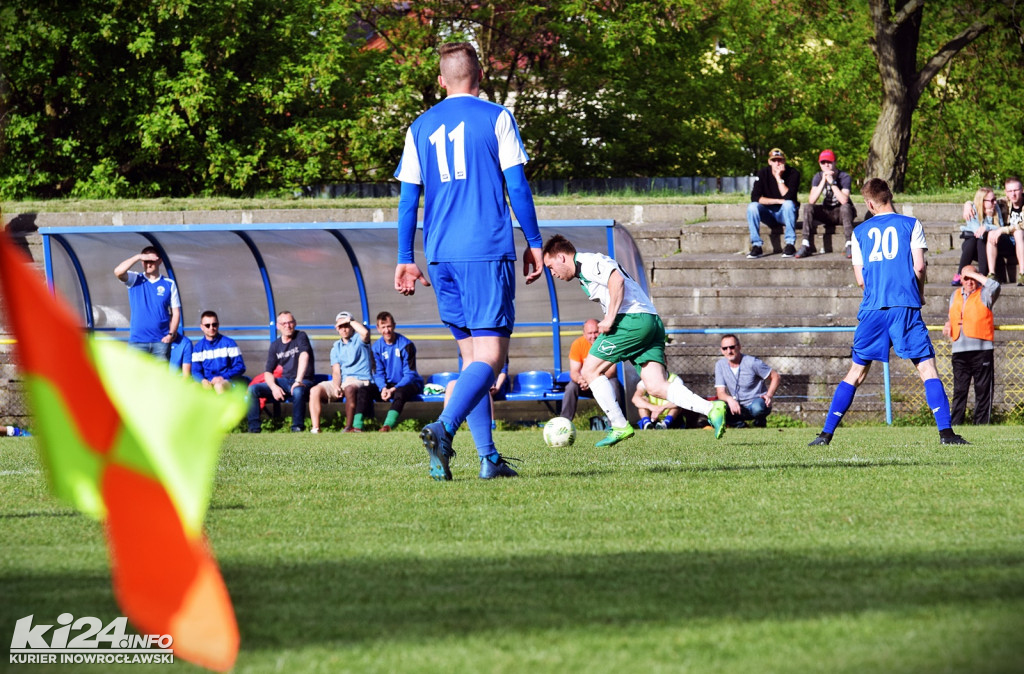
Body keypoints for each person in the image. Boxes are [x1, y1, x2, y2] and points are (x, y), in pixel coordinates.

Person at [393, 42, 544, 481]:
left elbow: (407, 202)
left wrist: (406, 258)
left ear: (440, 81)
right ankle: (443, 428)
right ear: (480, 77)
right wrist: (533, 240)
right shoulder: (497, 116)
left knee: (471, 360)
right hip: (484, 249)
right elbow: (517, 187)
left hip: (439, 255)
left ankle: (489, 458)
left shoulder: (419, 126)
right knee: (491, 358)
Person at [809, 178, 968, 447]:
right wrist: (919, 293)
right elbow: (919, 267)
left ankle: (825, 435)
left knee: (856, 373)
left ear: (870, 204)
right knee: (927, 369)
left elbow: (861, 280)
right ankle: (946, 434)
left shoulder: (859, 232)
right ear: (889, 196)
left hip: (873, 308)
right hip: (904, 305)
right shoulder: (911, 224)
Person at [542, 234, 727, 446]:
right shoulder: (584, 271)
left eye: (550, 266)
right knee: (656, 385)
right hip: (650, 321)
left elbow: (616, 280)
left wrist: (610, 318)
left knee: (590, 371)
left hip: (631, 320)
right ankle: (711, 408)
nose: (552, 272)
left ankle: (619, 425)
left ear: (562, 257)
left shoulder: (588, 262)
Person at [942, 265, 1000, 425]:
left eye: (972, 278)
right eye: (966, 278)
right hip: (959, 351)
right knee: (959, 390)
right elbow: (953, 315)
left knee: (982, 390)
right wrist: (948, 324)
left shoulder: (985, 293)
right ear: (960, 279)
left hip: (981, 350)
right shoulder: (955, 295)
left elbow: (995, 285)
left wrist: (974, 274)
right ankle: (955, 424)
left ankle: (981, 424)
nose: (969, 282)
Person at [245, 311, 315, 433]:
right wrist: (273, 387)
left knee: (298, 390)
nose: (287, 326)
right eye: (284, 323)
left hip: (303, 380)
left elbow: (304, 355)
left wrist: (298, 380)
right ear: (278, 326)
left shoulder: (301, 336)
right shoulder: (275, 345)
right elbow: (268, 372)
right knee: (253, 389)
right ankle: (254, 429)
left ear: (295, 323)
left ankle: (297, 428)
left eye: (290, 322)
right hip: (285, 381)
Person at [309, 311, 374, 433]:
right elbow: (336, 372)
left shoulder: (359, 340)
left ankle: (349, 426)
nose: (344, 329)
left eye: (346, 326)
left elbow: (365, 332)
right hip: (344, 380)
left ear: (351, 326)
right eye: (340, 326)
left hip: (360, 379)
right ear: (336, 329)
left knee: (350, 388)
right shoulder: (336, 347)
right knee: (315, 390)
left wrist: (349, 320)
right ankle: (316, 428)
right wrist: (336, 386)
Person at [113, 247, 181, 359]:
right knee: (135, 376)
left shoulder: (169, 284)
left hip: (161, 342)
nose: (148, 264)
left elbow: (176, 312)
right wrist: (138, 257)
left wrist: (171, 334)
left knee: (159, 376)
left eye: (151, 261)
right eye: (145, 261)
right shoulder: (135, 278)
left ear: (159, 261)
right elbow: (118, 272)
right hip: (137, 342)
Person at [796, 149, 857, 259]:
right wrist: (823, 182)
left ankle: (850, 244)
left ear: (835, 163)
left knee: (845, 207)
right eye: (823, 162)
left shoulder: (844, 177)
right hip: (827, 212)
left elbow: (844, 200)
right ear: (820, 164)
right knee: (808, 207)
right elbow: (811, 200)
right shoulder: (818, 177)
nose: (826, 165)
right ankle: (805, 244)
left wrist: (832, 182)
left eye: (829, 162)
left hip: (842, 214)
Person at [371, 311, 425, 433]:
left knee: (400, 392)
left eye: (389, 326)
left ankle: (387, 426)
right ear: (378, 328)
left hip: (410, 383)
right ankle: (356, 427)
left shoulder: (406, 345)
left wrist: (393, 389)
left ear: (394, 325)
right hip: (388, 386)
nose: (387, 330)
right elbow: (378, 373)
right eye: (383, 327)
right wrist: (383, 388)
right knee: (364, 390)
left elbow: (410, 374)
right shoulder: (376, 348)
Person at [559, 318, 622, 422]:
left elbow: (611, 371)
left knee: (614, 384)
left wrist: (592, 379)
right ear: (584, 334)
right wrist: (581, 380)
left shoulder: (607, 343)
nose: (593, 336)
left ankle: (617, 423)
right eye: (590, 333)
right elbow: (574, 372)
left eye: (596, 332)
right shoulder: (577, 344)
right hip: (586, 386)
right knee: (571, 387)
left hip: (603, 382)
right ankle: (564, 422)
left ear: (600, 331)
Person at [714, 334, 781, 428]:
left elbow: (776, 376)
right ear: (721, 350)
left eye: (732, 347)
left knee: (758, 408)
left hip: (755, 402)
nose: (729, 351)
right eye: (725, 348)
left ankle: (760, 423)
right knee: (716, 406)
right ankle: (740, 426)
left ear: (739, 347)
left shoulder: (752, 362)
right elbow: (720, 393)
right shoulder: (720, 365)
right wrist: (730, 400)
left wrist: (769, 395)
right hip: (737, 405)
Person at [746, 147, 801, 259]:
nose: (777, 163)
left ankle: (790, 244)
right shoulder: (763, 173)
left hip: (786, 214)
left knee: (788, 204)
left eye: (780, 160)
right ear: (769, 161)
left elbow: (788, 197)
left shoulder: (793, 173)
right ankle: (756, 245)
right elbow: (755, 197)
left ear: (784, 161)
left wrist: (778, 178)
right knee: (752, 207)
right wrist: (777, 201)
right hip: (768, 214)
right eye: (774, 160)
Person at [955, 187, 1007, 283]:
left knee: (980, 241)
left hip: (989, 244)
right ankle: (960, 274)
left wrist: (988, 222)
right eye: (991, 201)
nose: (994, 202)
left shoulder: (996, 208)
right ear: (982, 202)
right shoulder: (972, 210)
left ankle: (982, 275)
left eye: (995, 199)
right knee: (974, 241)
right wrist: (988, 224)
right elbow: (977, 231)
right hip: (972, 242)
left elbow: (1000, 227)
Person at [191, 310, 246, 393]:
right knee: (192, 387)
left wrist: (222, 377)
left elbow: (240, 367)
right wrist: (202, 381)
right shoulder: (198, 348)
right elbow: (195, 371)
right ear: (201, 327)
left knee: (219, 386)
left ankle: (223, 405)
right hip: (208, 382)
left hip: (227, 381)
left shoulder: (229, 343)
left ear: (218, 324)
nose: (211, 328)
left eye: (214, 324)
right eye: (207, 325)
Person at [984, 177, 1024, 285]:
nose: (1013, 194)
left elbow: (1022, 225)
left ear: (1022, 190)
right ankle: (992, 274)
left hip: (1022, 240)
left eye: (1016, 190)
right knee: (992, 233)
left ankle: (1022, 273)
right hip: (1008, 242)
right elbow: (982, 200)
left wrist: (1003, 229)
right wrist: (968, 205)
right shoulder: (1002, 203)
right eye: (1010, 191)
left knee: (1018, 232)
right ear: (1006, 192)